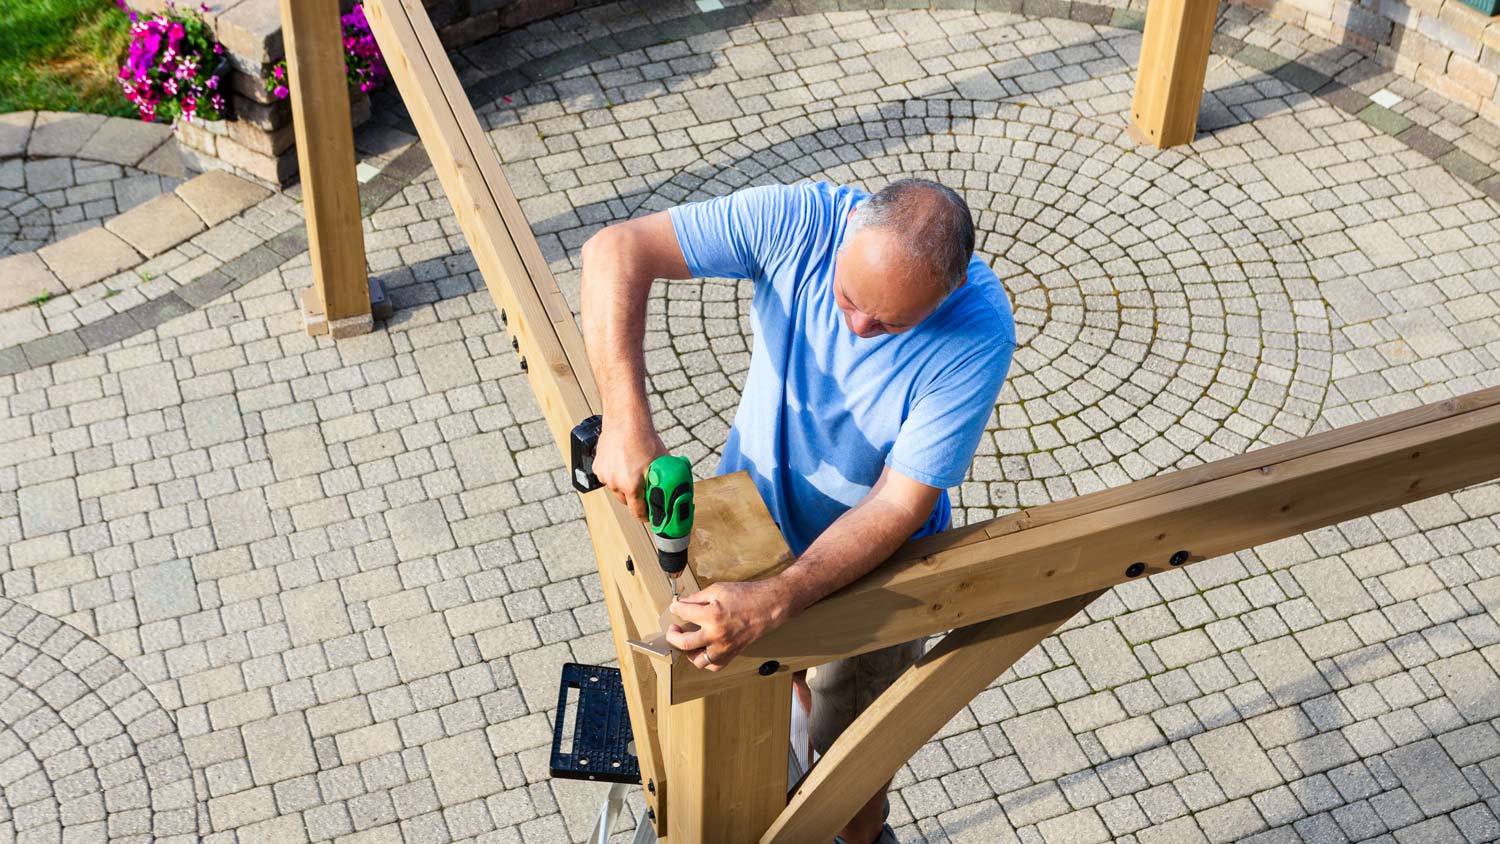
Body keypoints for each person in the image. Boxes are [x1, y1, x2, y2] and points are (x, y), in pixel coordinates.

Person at [579, 178, 1017, 844]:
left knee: (851, 775)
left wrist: (781, 598)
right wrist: (624, 418)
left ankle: (862, 836)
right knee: (776, 700)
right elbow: (615, 249)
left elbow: (898, 504)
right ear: (847, 238)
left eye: (892, 323)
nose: (858, 328)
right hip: (748, 528)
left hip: (877, 571)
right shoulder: (803, 220)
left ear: (949, 292)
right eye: (847, 298)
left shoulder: (979, 331)